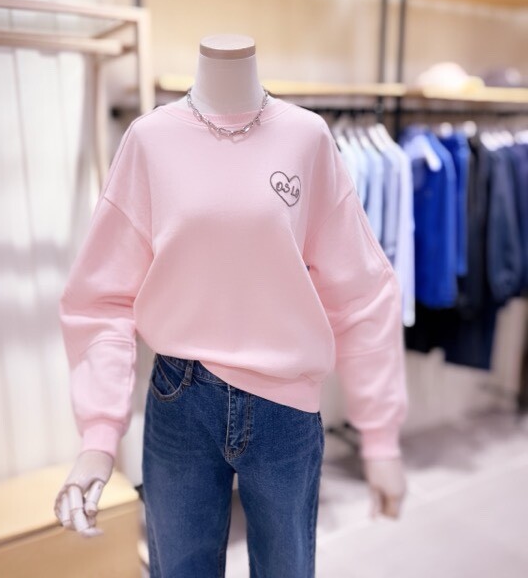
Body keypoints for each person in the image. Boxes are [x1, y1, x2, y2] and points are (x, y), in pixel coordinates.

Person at [54, 34, 408, 577]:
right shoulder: (150, 140)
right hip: (180, 398)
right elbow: (101, 296)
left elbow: (360, 291)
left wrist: (380, 439)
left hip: (286, 407)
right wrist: (99, 435)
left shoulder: (306, 137)